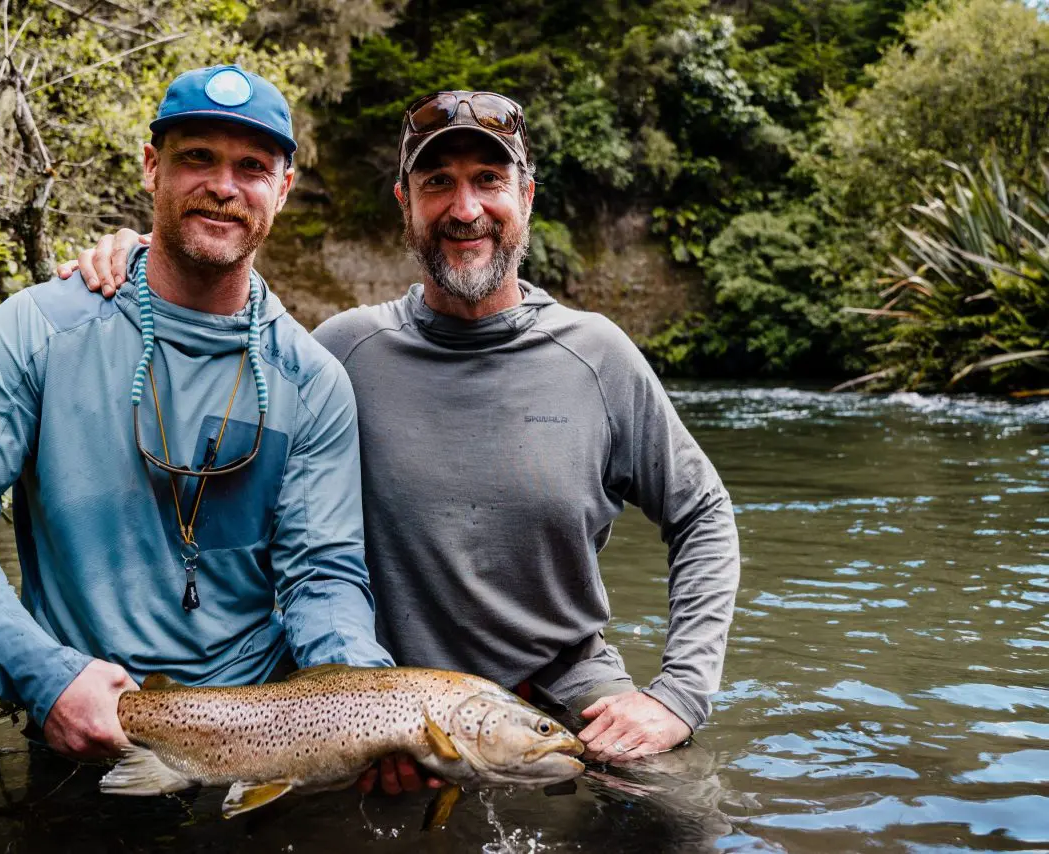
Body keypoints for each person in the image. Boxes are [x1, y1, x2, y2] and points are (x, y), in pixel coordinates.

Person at [63, 90, 740, 785]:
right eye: (436, 183)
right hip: (364, 705)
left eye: (488, 180)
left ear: (527, 196)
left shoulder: (600, 357)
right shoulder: (340, 355)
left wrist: (679, 695)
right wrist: (147, 259)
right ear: (404, 203)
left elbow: (704, 515)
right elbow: (223, 311)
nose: (465, 208)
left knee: (673, 811)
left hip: (559, 688)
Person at [0, 65, 393, 762]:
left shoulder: (313, 382)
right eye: (196, 158)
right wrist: (44, 676)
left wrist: (367, 700)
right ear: (152, 167)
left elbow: (322, 575)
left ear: (282, 189)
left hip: (259, 739)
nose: (222, 185)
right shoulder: (40, 330)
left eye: (251, 166)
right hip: (80, 726)